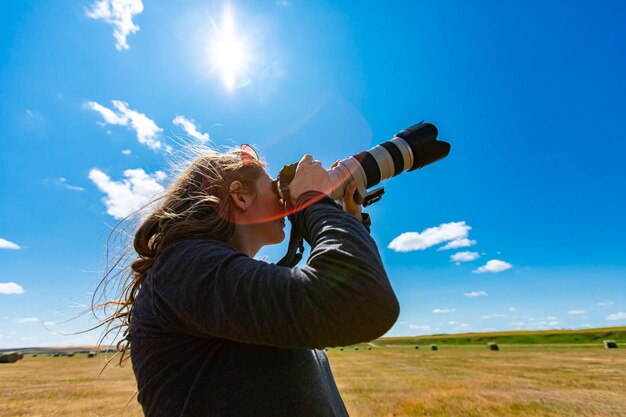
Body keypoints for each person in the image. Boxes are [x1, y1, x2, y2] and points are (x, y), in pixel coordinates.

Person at [103, 148, 399, 417]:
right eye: (275, 188)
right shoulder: (183, 266)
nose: (284, 198)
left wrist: (349, 222)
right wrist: (312, 199)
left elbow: (345, 303)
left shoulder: (214, 278)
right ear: (240, 196)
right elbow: (361, 301)